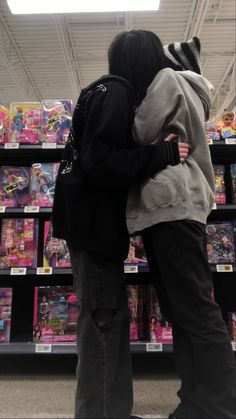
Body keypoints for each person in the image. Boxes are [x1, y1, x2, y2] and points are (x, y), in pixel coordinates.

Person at [52, 44, 189, 417]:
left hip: (87, 224)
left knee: (108, 319)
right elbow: (102, 161)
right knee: (103, 318)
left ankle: (113, 411)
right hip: (93, 226)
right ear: (144, 65)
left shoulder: (99, 91)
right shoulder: (117, 93)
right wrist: (162, 154)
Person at [109, 30, 236, 418]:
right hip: (179, 207)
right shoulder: (188, 87)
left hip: (171, 208)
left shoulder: (167, 81)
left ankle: (216, 406)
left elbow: (139, 133)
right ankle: (197, 401)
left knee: (194, 311)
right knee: (187, 310)